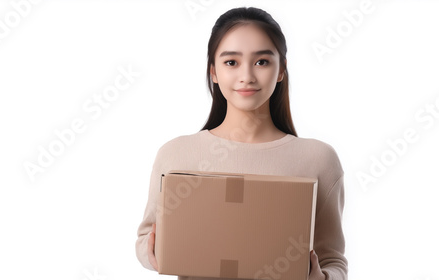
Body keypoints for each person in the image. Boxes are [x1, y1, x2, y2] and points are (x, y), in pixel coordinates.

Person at [135, 6, 348, 280]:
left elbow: (333, 259)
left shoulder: (318, 159)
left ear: (281, 70)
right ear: (213, 71)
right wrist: (154, 253)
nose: (246, 75)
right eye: (231, 62)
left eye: (261, 61)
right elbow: (145, 237)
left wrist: (322, 278)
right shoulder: (176, 154)